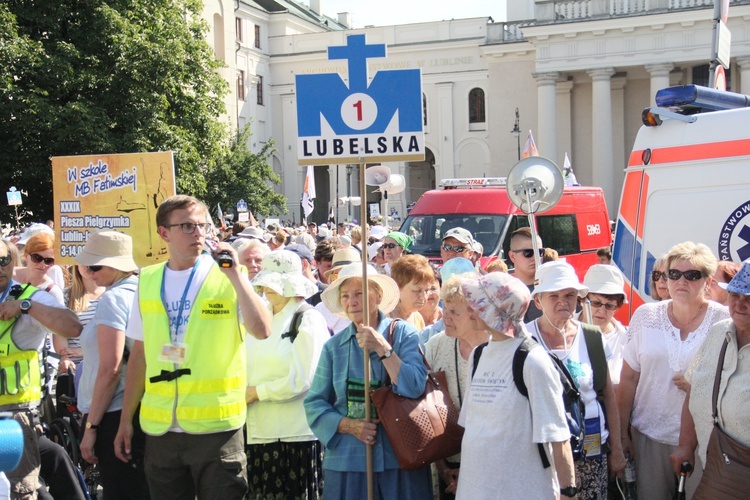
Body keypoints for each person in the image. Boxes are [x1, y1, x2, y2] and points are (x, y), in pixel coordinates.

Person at [114, 195, 272, 499]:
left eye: (202, 225)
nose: (198, 233)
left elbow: (262, 330)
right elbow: (140, 357)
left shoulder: (227, 274)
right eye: (186, 226)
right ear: (164, 233)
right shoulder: (147, 279)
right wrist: (125, 420)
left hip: (216, 428)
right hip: (161, 430)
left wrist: (235, 275)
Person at [304, 263, 431, 499]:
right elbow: (314, 404)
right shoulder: (333, 347)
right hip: (348, 462)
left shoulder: (403, 334)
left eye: (359, 293)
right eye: (345, 296)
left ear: (378, 295)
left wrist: (383, 348)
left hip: (400, 457)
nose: (351, 301)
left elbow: (414, 387)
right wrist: (349, 425)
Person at [618, 241, 729, 500]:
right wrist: (623, 435)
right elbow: (628, 378)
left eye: (692, 275)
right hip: (648, 435)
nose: (682, 281)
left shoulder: (724, 321)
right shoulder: (646, 315)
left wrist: (699, 384)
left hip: (705, 440)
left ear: (708, 281)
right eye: (674, 274)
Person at [456, 272, 576, 499]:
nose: (470, 309)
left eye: (478, 303)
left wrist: (568, 492)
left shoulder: (533, 360)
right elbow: (473, 430)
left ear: (495, 312)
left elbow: (558, 437)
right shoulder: (478, 355)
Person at [526, 261, 626, 498]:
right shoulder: (525, 340)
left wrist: (617, 450)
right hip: (541, 456)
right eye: (554, 295)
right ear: (538, 301)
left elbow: (607, 395)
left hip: (591, 452)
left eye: (570, 295)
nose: (563, 301)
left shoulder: (592, 337)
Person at [0, 240, 84, 497]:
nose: (0, 267)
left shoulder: (28, 296)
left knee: (19, 492)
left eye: (4, 260)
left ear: (14, 261)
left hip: (12, 420)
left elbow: (72, 327)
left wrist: (28, 307)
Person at [246, 250, 330, 499]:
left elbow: (305, 378)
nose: (269, 289)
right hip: (258, 433)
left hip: (296, 435)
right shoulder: (258, 318)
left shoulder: (308, 318)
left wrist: (257, 393)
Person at [74, 229, 150, 499]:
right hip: (140, 409)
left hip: (114, 413)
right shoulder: (145, 291)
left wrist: (91, 427)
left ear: (116, 266)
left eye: (95, 265)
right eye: (86, 265)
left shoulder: (112, 299)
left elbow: (111, 369)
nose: (89, 272)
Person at [670, 260, 750, 497]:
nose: (740, 304)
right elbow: (695, 388)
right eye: (735, 295)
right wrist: (686, 446)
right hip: (715, 471)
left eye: (749, 299)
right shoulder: (720, 331)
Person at [424, 273, 489, 499]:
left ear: (475, 313)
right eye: (445, 309)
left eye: (454, 312)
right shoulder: (435, 347)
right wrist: (442, 468)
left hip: (492, 467)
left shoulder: (498, 348)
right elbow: (426, 410)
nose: (446, 317)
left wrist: (474, 471)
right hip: (448, 466)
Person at [582, 264, 628, 388]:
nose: (602, 311)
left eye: (609, 305)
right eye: (596, 303)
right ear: (582, 300)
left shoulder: (627, 339)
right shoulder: (563, 333)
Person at [508, 227, 544, 322]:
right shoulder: (505, 292)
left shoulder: (550, 290)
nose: (535, 257)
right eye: (528, 253)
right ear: (512, 256)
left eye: (539, 252)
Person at [389, 254, 433, 331]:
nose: (423, 296)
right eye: (417, 290)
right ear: (398, 287)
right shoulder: (384, 319)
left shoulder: (418, 318)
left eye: (427, 290)